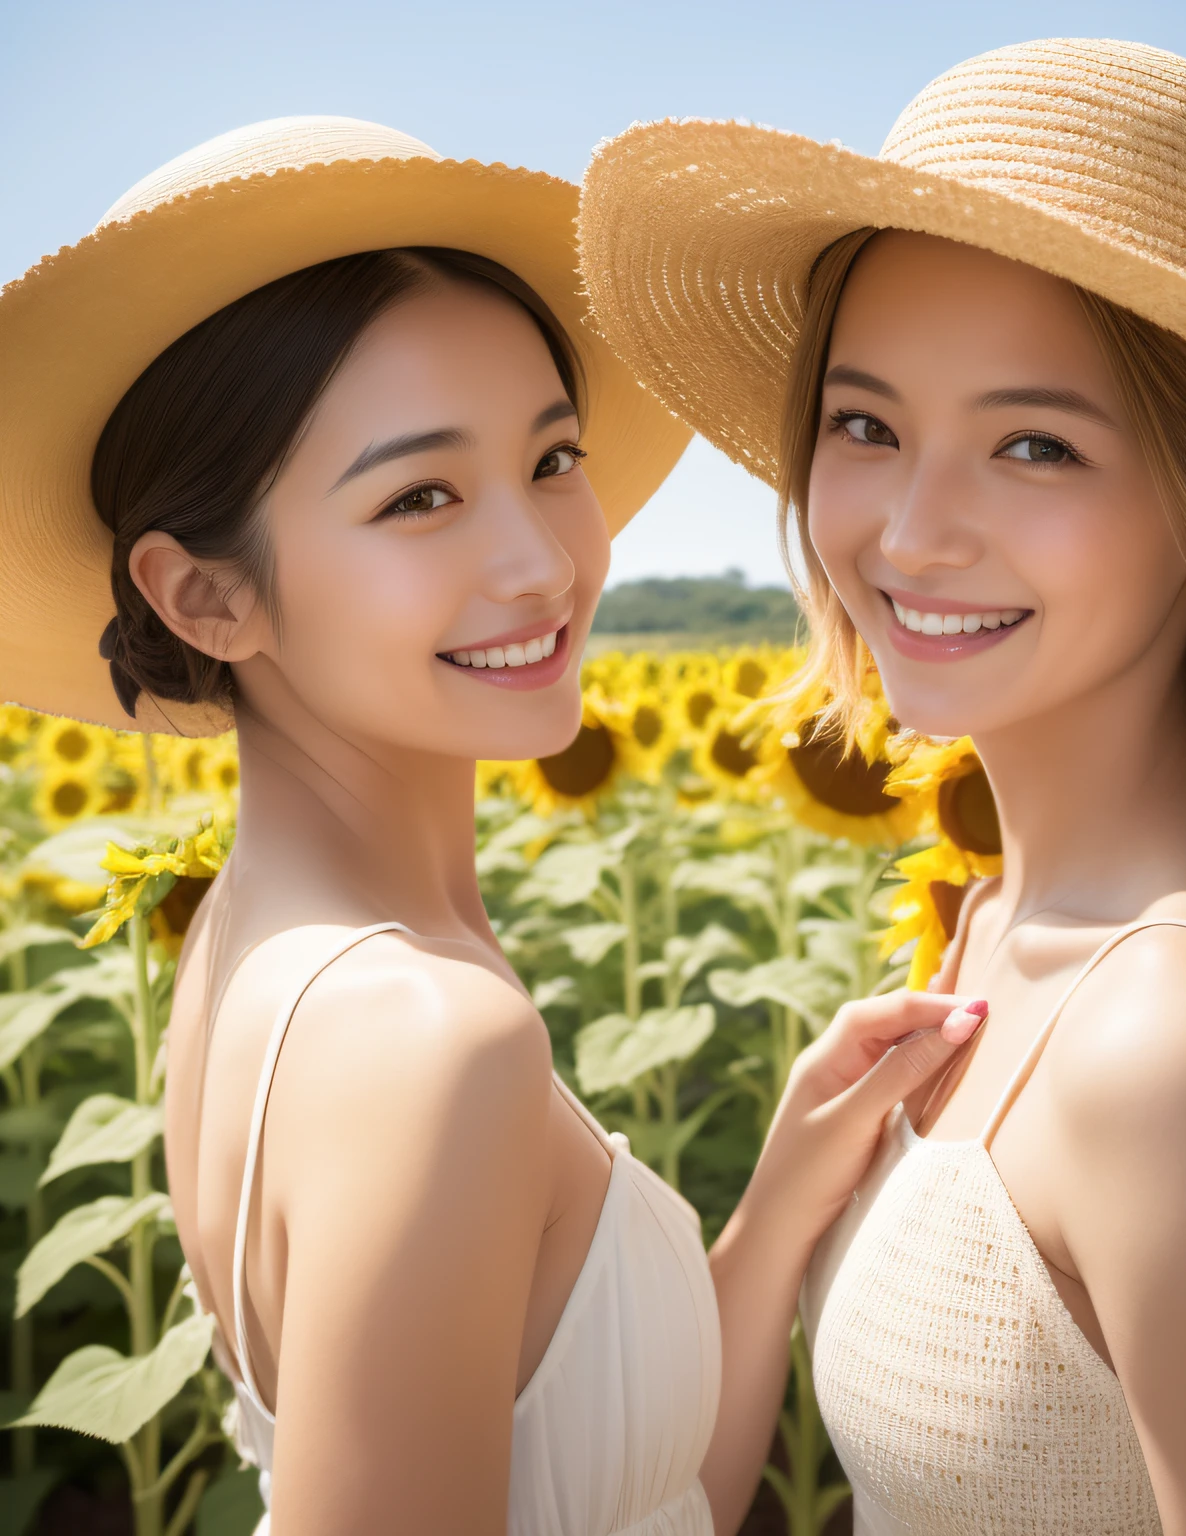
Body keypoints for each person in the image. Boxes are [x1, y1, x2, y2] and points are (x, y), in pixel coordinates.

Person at [579, 38, 1186, 1534]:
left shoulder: (1172, 1032)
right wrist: (774, 1226)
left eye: (1036, 445)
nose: (913, 530)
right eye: (867, 425)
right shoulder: (1006, 917)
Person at [0, 117, 988, 1536]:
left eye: (552, 459)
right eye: (419, 498)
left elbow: (611, 1495)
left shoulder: (251, 941)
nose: (543, 562)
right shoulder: (425, 1039)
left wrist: (770, 1222)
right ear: (207, 598)